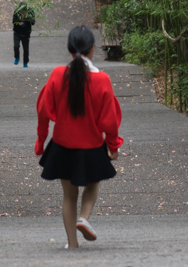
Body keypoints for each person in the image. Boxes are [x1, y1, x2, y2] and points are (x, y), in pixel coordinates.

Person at [35, 26, 123, 248]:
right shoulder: (102, 80)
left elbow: (44, 110)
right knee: (93, 185)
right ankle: (84, 218)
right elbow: (109, 120)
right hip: (92, 145)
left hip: (63, 144)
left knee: (68, 195)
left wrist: (41, 140)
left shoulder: (57, 75)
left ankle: (72, 244)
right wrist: (113, 145)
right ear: (93, 49)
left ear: (69, 49)